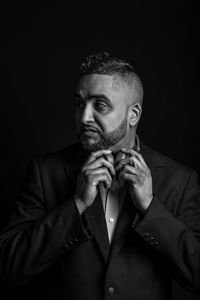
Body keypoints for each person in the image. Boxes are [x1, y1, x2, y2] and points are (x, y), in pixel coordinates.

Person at [0, 52, 200, 300]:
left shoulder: (180, 180)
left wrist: (150, 208)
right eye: (79, 104)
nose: (84, 117)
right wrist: (76, 205)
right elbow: (10, 268)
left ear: (133, 114)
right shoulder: (44, 173)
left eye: (100, 105)